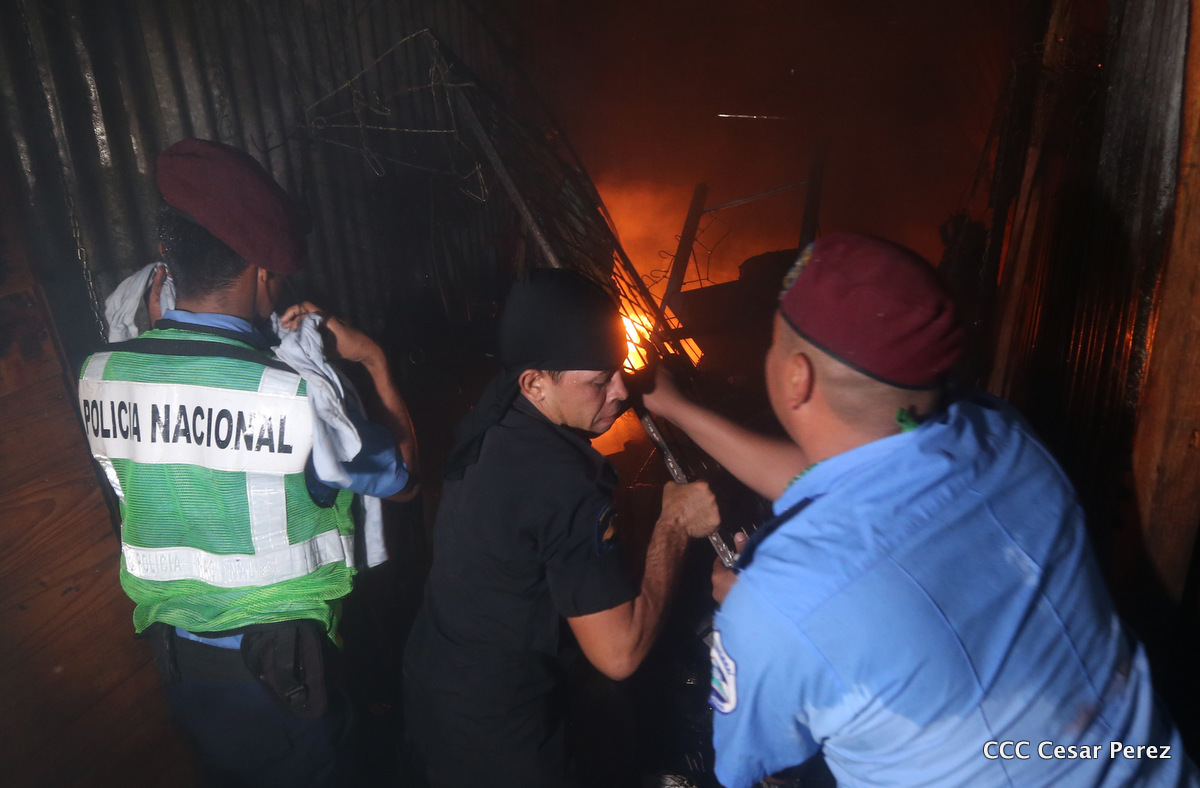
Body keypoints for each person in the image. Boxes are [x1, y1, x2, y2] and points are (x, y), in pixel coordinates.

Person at [642, 232, 1197, 788]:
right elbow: (850, 476)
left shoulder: (773, 605)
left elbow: (754, 766)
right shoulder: (999, 434)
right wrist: (679, 409)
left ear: (796, 376)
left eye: (774, 342)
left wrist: (756, 617)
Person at [77, 138, 418, 787]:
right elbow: (403, 479)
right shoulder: (289, 394)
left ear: (169, 263)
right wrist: (373, 361)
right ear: (262, 272)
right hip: (286, 684)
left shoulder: (100, 374)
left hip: (181, 677)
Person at [402, 268, 720, 788]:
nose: (619, 390)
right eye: (598, 382)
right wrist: (675, 526)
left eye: (620, 370)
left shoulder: (495, 420)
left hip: (436, 696)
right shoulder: (562, 483)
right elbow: (620, 654)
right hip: (503, 738)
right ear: (535, 383)